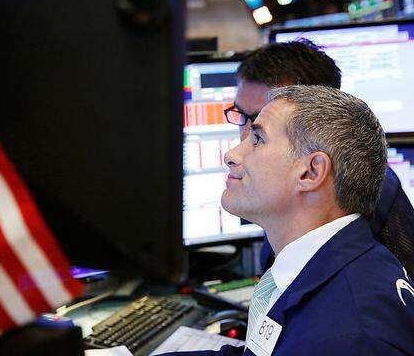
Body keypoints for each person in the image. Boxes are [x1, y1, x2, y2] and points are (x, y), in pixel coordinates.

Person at [160, 85, 414, 355]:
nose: (231, 155)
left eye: (257, 139)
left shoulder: (349, 337)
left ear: (311, 172)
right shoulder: (324, 270)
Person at [225, 40, 414, 276]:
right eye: (240, 115)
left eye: (261, 126)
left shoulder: (356, 197)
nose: (243, 138)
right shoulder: (282, 198)